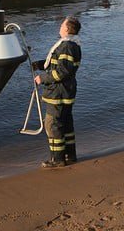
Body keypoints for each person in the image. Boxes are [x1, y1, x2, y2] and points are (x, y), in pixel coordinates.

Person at [33, 16, 82, 168]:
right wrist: (40, 64)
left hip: (58, 93)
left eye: (62, 25)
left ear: (67, 29)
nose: (59, 26)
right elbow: (58, 65)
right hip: (65, 92)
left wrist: (42, 78)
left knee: (52, 125)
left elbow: (62, 72)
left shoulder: (67, 46)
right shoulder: (71, 45)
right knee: (65, 125)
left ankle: (57, 159)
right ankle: (69, 156)